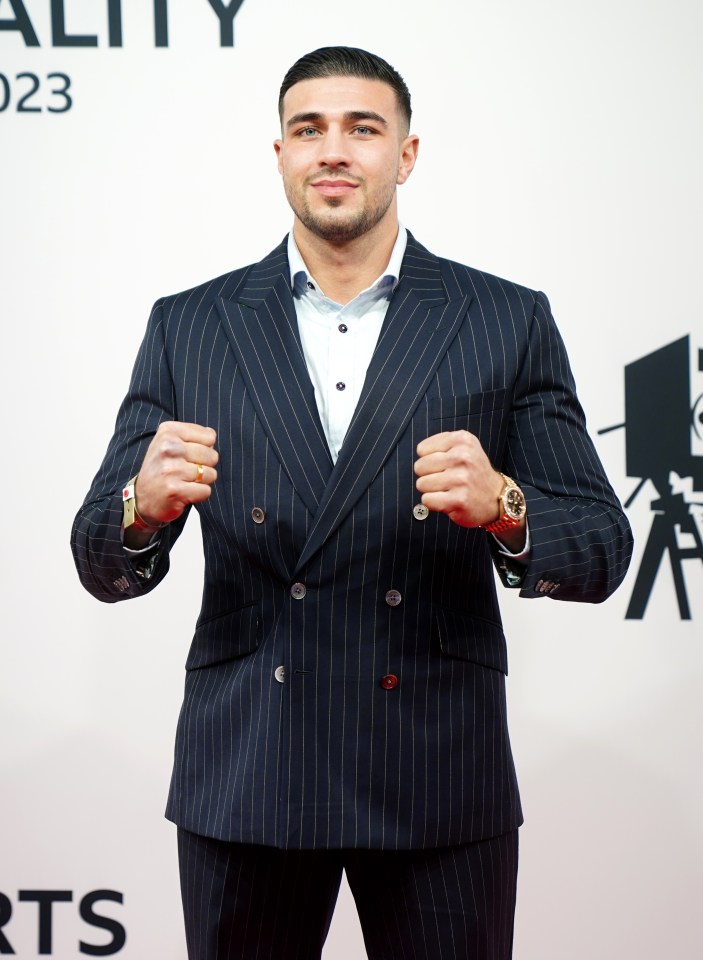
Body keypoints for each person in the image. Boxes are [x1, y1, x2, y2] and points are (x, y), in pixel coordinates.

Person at [72, 45, 633, 960]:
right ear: (282, 154)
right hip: (250, 765)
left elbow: (602, 549)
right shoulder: (192, 324)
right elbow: (99, 560)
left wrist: (506, 506)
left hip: (436, 768)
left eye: (361, 128)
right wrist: (143, 503)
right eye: (309, 129)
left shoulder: (503, 317)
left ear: (405, 154)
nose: (333, 149)